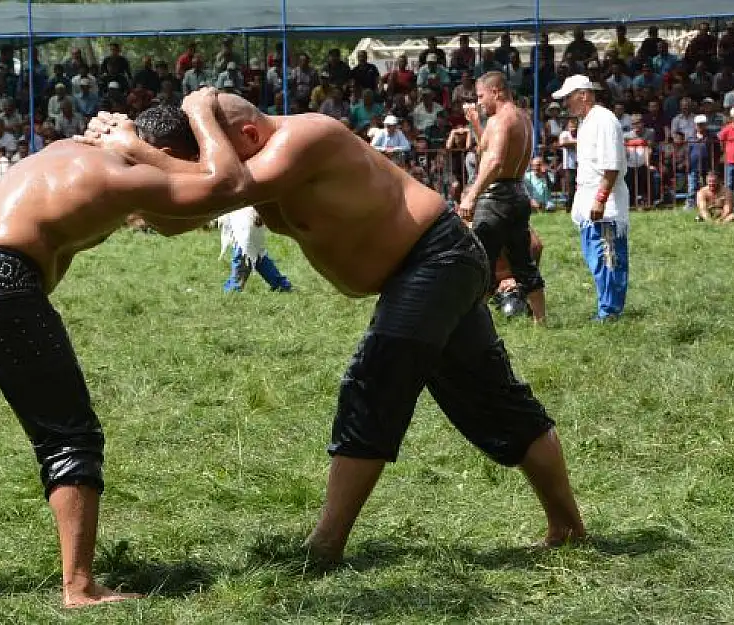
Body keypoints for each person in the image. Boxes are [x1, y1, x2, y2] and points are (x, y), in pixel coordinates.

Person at [81, 90, 586, 567]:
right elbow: (175, 218)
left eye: (219, 144)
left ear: (250, 137)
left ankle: (325, 545)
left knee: (376, 380)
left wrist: (141, 143)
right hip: (423, 269)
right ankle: (568, 528)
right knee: (493, 397)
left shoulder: (307, 137)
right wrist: (127, 158)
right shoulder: (247, 167)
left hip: (438, 256)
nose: (215, 159)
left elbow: (225, 184)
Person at [0, 99, 253, 610]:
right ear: (159, 151)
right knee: (69, 435)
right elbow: (227, 184)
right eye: (174, 160)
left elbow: (174, 221)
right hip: (0, 280)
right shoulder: (123, 170)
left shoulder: (67, 151)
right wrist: (200, 115)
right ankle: (80, 587)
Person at [458, 72, 547, 324]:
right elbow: (486, 150)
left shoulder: (499, 120)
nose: (479, 102)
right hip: (518, 193)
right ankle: (541, 321)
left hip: (496, 197)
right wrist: (476, 123)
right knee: (523, 261)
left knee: (479, 260)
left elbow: (494, 161)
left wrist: (471, 196)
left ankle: (472, 323)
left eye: (481, 96)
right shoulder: (523, 119)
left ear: (496, 91)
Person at [553, 75, 629, 322]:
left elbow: (611, 165)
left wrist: (600, 198)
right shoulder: (587, 122)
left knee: (607, 257)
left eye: (568, 98)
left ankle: (609, 312)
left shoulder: (604, 120)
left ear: (583, 95)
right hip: (589, 199)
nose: (566, 103)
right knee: (596, 258)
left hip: (604, 205)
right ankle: (605, 307)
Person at [216, 206, 293, 293]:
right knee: (257, 256)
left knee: (245, 253)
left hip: (247, 215)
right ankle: (281, 285)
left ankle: (233, 288)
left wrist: (258, 211)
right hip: (238, 214)